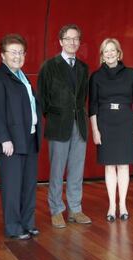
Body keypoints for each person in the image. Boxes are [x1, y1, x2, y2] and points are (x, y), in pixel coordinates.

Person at [0, 34, 42, 240]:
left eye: (21, 52)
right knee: (12, 187)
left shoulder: (22, 76)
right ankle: (13, 227)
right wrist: (4, 139)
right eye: (13, 52)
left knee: (28, 185)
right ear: (3, 55)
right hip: (11, 141)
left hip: (29, 138)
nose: (17, 56)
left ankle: (27, 223)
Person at [38, 24, 91, 228]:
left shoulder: (83, 68)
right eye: (68, 39)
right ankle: (56, 210)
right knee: (57, 170)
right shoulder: (49, 66)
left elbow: (83, 97)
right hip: (58, 124)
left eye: (76, 39)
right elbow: (42, 98)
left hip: (79, 124)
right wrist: (55, 115)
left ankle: (75, 209)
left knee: (76, 170)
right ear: (60, 42)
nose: (72, 42)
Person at [89, 38, 133, 222]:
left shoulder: (131, 74)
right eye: (106, 51)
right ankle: (112, 205)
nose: (110, 53)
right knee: (109, 165)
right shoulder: (96, 76)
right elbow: (93, 106)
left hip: (125, 121)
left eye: (113, 50)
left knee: (123, 164)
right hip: (105, 122)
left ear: (119, 53)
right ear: (102, 56)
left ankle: (123, 205)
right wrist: (95, 130)